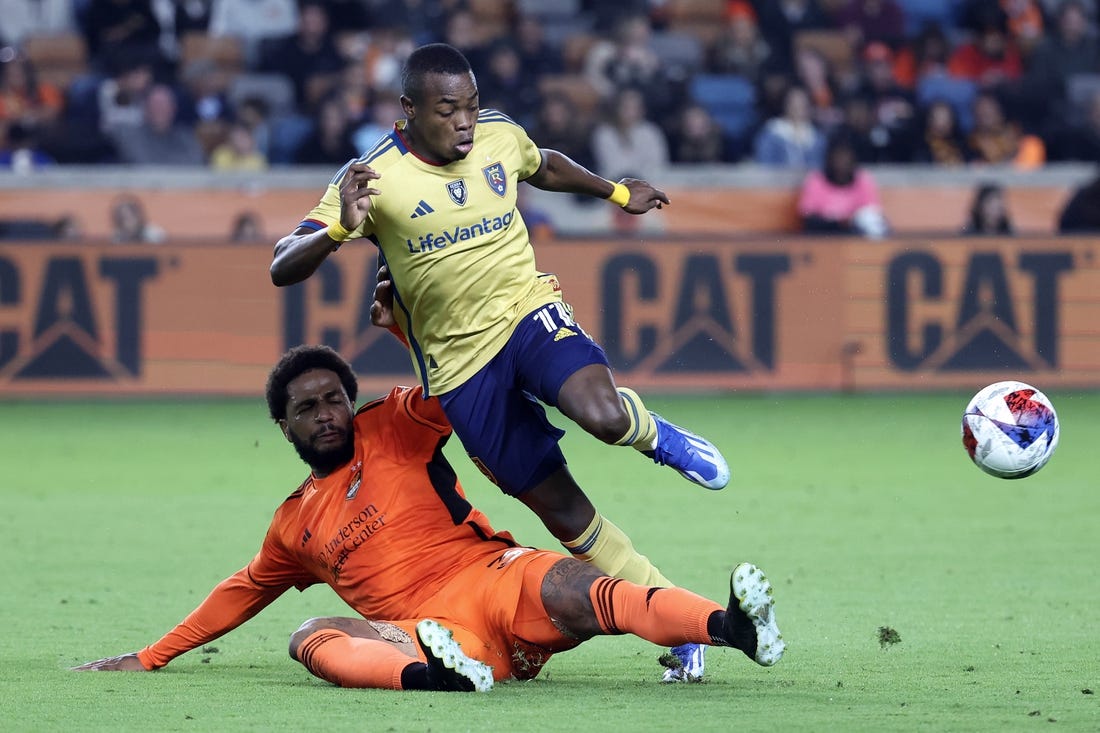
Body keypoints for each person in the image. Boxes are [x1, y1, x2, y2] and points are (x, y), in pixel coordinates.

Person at [269, 43, 731, 682]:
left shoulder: (499, 137)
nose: (465, 121)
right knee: (565, 512)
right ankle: (676, 621)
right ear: (408, 112)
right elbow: (281, 263)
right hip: (462, 374)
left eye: (472, 105)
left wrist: (618, 191)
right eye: (447, 109)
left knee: (600, 414)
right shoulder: (373, 177)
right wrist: (343, 230)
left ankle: (654, 434)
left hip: (526, 313)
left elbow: (543, 166)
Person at [72, 345, 785, 691]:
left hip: (492, 577)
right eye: (306, 408)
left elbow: (462, 383)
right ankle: (433, 678)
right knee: (308, 633)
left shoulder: (395, 424)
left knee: (576, 586)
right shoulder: (294, 524)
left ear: (351, 401)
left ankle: (732, 629)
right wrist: (152, 653)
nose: (325, 414)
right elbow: (242, 588)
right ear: (281, 426)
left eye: (332, 399)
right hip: (420, 631)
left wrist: (409, 323)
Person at [797, 132, 888, 238]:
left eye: (846, 157)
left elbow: (873, 213)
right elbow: (807, 216)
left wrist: (852, 221)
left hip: (856, 238)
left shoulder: (863, 179)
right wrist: (838, 222)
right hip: (826, 236)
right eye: (838, 156)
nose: (841, 161)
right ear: (829, 158)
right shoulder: (816, 180)